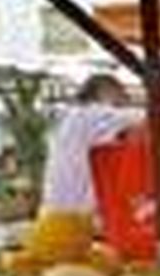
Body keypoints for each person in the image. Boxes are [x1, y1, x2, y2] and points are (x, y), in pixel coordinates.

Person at [39, 73, 138, 216]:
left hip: (56, 210)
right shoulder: (92, 114)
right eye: (120, 98)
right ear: (106, 91)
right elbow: (150, 118)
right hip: (72, 214)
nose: (121, 105)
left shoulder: (70, 116)